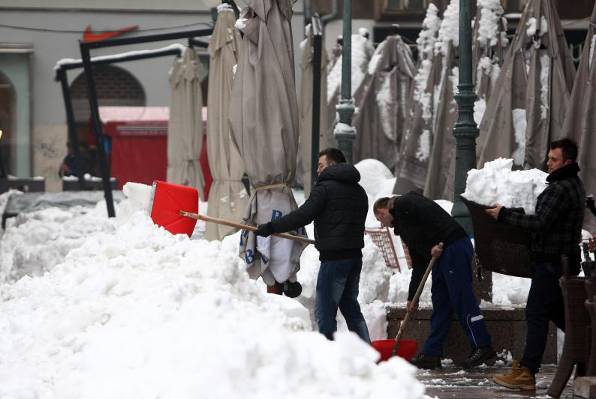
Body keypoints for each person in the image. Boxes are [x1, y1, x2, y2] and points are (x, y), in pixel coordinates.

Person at [488, 138, 585, 391]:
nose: (549, 164)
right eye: (549, 158)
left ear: (568, 162)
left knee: (536, 313)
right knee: (562, 316)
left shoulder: (561, 187)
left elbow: (541, 223)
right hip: (560, 263)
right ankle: (588, 348)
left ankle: (527, 372)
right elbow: (546, 220)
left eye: (554, 160)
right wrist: (514, 213)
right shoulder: (570, 184)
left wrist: (506, 215)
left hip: (552, 264)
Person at [255, 148, 370, 343]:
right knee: (350, 307)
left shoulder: (324, 188)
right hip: (354, 257)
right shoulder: (359, 191)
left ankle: (328, 354)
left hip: (334, 260)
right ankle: (367, 352)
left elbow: (304, 215)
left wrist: (272, 227)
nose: (318, 170)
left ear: (333, 165)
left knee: (325, 311)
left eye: (321, 165)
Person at [374, 193, 495, 370]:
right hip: (441, 254)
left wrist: (438, 241)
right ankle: (431, 353)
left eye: (380, 219)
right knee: (441, 302)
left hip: (453, 246)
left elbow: (427, 213)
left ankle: (483, 346)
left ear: (383, 212)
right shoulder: (405, 225)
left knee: (462, 299)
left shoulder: (404, 203)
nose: (382, 224)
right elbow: (419, 263)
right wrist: (412, 297)